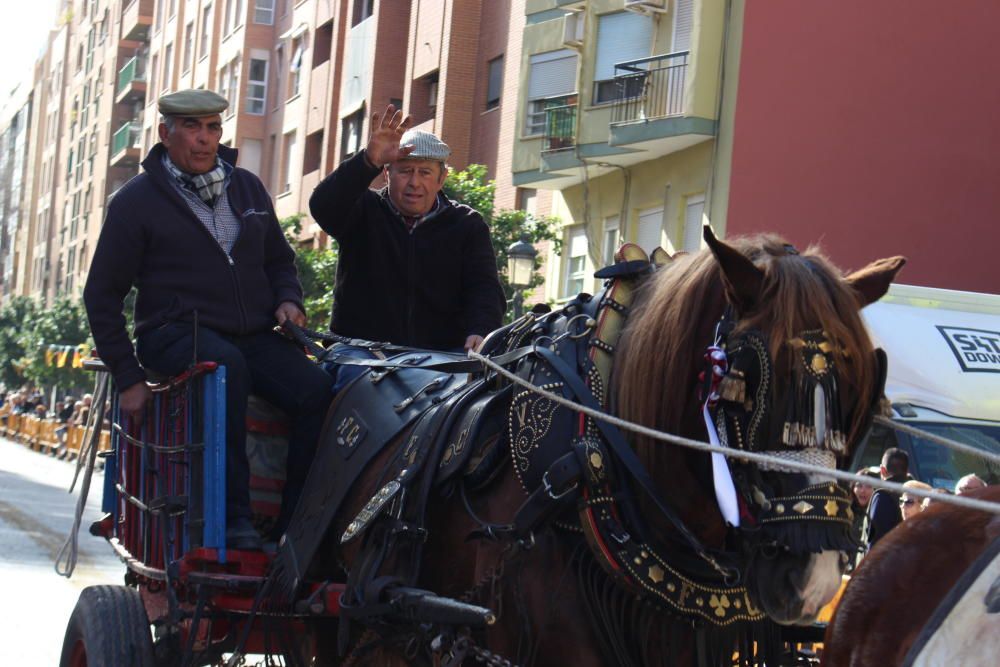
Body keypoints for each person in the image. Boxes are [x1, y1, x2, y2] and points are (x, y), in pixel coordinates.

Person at [83, 90, 333, 550]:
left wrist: (287, 299)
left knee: (318, 390)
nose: (205, 140)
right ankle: (233, 520)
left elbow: (280, 261)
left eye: (213, 128)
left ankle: (296, 526)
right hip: (172, 333)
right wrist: (128, 377)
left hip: (253, 333)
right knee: (225, 368)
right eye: (193, 128)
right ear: (166, 133)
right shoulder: (135, 202)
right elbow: (101, 296)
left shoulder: (248, 188)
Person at [308, 105, 506, 391]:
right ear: (387, 174)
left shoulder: (468, 225)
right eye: (405, 171)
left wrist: (481, 330)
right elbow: (322, 206)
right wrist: (366, 160)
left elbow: (484, 288)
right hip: (361, 352)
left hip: (442, 356)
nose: (415, 182)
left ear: (442, 179)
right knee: (358, 396)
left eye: (425, 172)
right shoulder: (362, 209)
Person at [865, 447, 910, 549]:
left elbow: (874, 542)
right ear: (907, 471)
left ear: (882, 470)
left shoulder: (882, 496)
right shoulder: (917, 493)